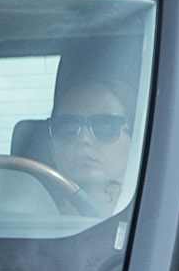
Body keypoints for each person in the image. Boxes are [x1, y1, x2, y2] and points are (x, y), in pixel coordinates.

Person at [43, 67, 140, 215]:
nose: (84, 139)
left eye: (106, 126)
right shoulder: (23, 226)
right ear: (52, 148)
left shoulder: (158, 219)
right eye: (67, 127)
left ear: (135, 143)